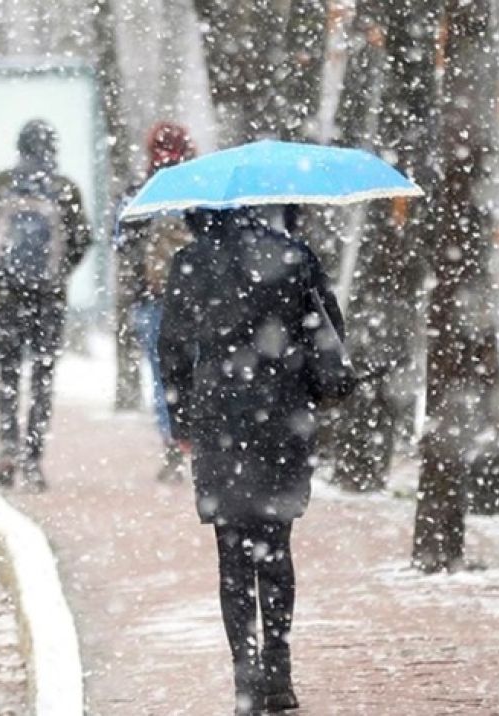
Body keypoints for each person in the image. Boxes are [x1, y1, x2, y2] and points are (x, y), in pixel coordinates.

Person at [158, 206, 344, 715]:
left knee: (233, 552)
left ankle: (245, 677)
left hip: (219, 419)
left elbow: (171, 346)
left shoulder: (190, 262)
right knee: (276, 546)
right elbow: (329, 333)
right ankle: (279, 673)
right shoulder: (294, 255)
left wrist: (180, 423)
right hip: (283, 417)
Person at [0, 120, 92, 492]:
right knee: (43, 377)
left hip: (7, 298)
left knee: (8, 375)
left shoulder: (0, 185)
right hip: (48, 300)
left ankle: (7, 449)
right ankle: (33, 458)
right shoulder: (63, 189)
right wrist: (58, 273)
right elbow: (83, 238)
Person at [114, 121, 198, 482]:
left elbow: (120, 240)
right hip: (198, 301)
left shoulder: (139, 191)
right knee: (199, 372)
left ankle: (172, 443)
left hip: (153, 299)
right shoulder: (200, 189)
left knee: (164, 377)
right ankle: (202, 440)